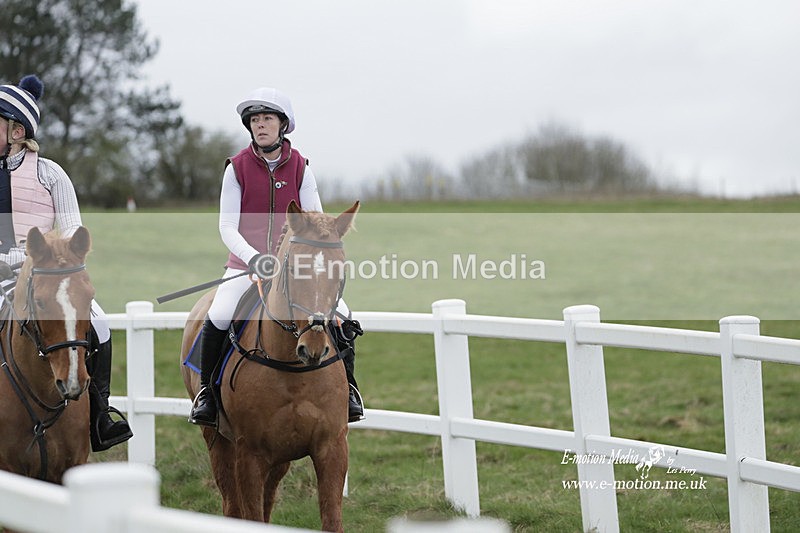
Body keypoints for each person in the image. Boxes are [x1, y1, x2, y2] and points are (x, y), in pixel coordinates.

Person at [188, 87, 364, 427]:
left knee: (342, 313)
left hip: (295, 269)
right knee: (221, 313)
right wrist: (254, 259)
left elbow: (317, 220)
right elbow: (227, 226)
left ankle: (351, 391)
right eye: (255, 120)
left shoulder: (301, 168)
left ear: (283, 125)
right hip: (244, 266)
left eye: (267, 118)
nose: (260, 125)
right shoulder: (235, 169)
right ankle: (208, 395)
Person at [0, 75, 132, 452]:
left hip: (42, 273)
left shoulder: (50, 173)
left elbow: (73, 227)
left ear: (16, 130)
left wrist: (59, 251)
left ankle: (100, 415)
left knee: (101, 324)